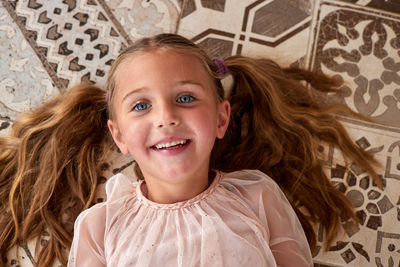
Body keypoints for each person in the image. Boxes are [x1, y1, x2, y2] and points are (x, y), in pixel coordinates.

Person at [0, 33, 380, 267]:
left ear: (220, 118)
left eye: (185, 98)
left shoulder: (258, 198)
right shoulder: (101, 226)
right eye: (141, 106)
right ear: (119, 137)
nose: (165, 117)